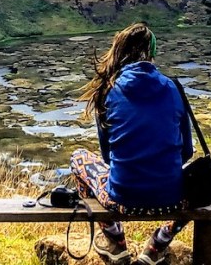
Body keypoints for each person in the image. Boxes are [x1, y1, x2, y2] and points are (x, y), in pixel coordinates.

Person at [71, 22, 193, 265]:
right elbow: (187, 152)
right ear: (153, 54)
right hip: (171, 198)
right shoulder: (173, 88)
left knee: (78, 158)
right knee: (198, 187)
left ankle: (115, 240)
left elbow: (107, 157)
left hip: (122, 198)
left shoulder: (108, 91)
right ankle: (159, 243)